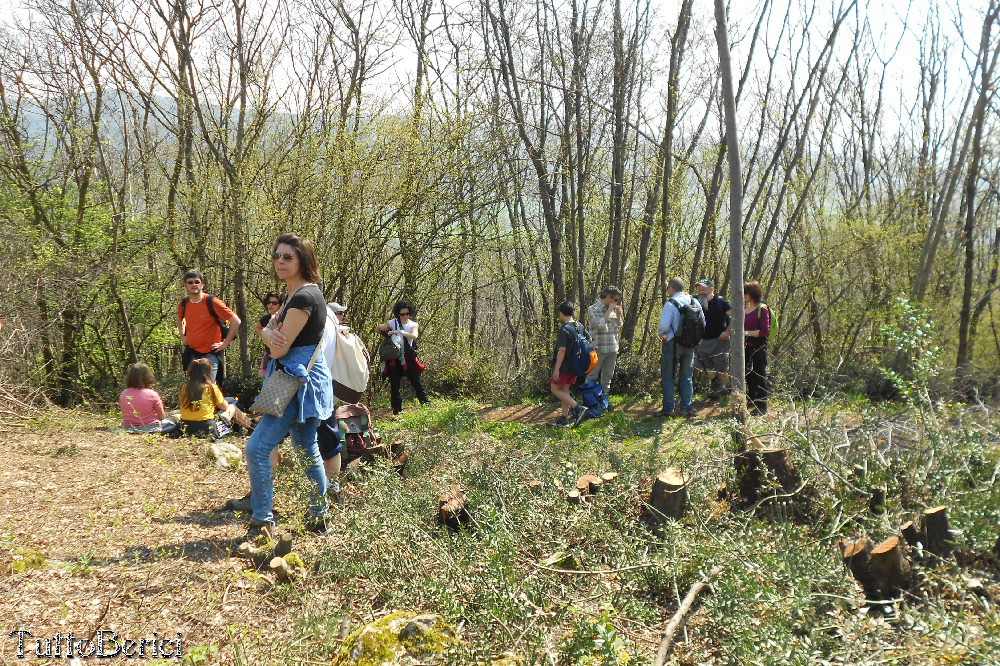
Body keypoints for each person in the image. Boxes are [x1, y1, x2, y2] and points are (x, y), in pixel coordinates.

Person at [240, 233, 334, 538]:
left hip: (294, 383)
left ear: (303, 260)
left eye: (288, 257)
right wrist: (269, 333)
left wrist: (266, 334)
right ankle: (319, 516)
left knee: (256, 449)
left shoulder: (304, 298)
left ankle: (262, 519)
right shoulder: (298, 294)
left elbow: (277, 349)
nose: (280, 261)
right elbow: (270, 333)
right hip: (302, 380)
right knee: (307, 449)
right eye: (277, 256)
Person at [177, 270, 241, 382]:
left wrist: (225, 343)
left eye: (197, 282)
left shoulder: (212, 302)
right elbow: (179, 319)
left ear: (202, 284)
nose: (194, 285)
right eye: (190, 282)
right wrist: (183, 336)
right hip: (192, 353)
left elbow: (236, 321)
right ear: (186, 286)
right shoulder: (184, 303)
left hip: (210, 354)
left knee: (208, 388)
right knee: (194, 390)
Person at [656, 277, 705, 418]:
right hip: (690, 345)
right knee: (686, 377)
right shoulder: (694, 301)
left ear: (672, 288)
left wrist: (662, 334)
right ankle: (686, 408)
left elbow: (664, 327)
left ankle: (668, 408)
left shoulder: (670, 304)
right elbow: (703, 323)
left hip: (673, 344)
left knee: (668, 377)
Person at [172, 358, 254, 438]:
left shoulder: (183, 387)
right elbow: (224, 407)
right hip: (208, 428)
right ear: (208, 372)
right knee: (232, 407)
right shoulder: (211, 387)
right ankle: (252, 427)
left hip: (186, 428)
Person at [318, 301, 349, 508]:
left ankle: (330, 491)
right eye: (339, 313)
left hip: (321, 388)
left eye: (341, 314)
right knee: (325, 441)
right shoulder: (327, 323)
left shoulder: (322, 322)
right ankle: (329, 489)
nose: (341, 317)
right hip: (326, 388)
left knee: (327, 441)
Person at [378, 300, 429, 416]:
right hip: (394, 358)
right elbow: (378, 330)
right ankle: (397, 409)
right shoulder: (392, 322)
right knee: (395, 385)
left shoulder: (413, 325)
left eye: (407, 313)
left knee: (416, 382)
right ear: (398, 314)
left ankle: (425, 404)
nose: (405, 316)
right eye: (402, 314)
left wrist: (401, 332)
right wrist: (380, 327)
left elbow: (414, 336)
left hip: (408, 357)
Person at [550, 300, 589, 427]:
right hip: (575, 365)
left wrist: (556, 369)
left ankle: (578, 408)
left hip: (564, 366)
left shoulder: (564, 329)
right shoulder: (580, 326)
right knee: (565, 389)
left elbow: (562, 350)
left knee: (555, 388)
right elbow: (590, 340)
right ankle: (564, 419)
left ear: (561, 313)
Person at [694, 278, 733, 399]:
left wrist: (727, 332)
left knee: (722, 370)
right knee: (701, 366)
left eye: (704, 289)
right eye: (700, 290)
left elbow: (736, 317)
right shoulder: (696, 302)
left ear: (712, 289)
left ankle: (728, 391)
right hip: (703, 341)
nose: (701, 292)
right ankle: (716, 384)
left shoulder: (721, 301)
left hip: (720, 341)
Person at [585, 286, 623, 395]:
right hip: (598, 348)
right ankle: (589, 400)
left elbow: (619, 325)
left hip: (612, 348)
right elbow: (599, 325)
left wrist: (619, 315)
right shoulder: (593, 309)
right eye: (615, 300)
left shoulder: (613, 310)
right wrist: (610, 311)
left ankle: (604, 400)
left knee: (607, 378)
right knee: (592, 375)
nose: (616, 302)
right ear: (608, 297)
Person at [743, 279, 771, 416]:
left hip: (758, 347)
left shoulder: (762, 309)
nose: (744, 296)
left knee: (759, 375)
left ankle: (762, 406)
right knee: (749, 375)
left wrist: (746, 333)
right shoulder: (746, 309)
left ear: (753, 293)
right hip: (746, 347)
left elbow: (764, 331)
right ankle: (752, 401)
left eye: (746, 293)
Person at [119, 362, 171, 433]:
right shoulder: (152, 394)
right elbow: (162, 416)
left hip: (128, 427)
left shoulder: (124, 393)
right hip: (151, 427)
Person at [256, 291, 283, 377]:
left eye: (274, 303)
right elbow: (257, 327)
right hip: (269, 356)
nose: (271, 305)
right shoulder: (265, 318)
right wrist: (266, 336)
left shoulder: (284, 317)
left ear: (280, 305)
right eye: (269, 302)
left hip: (282, 357)